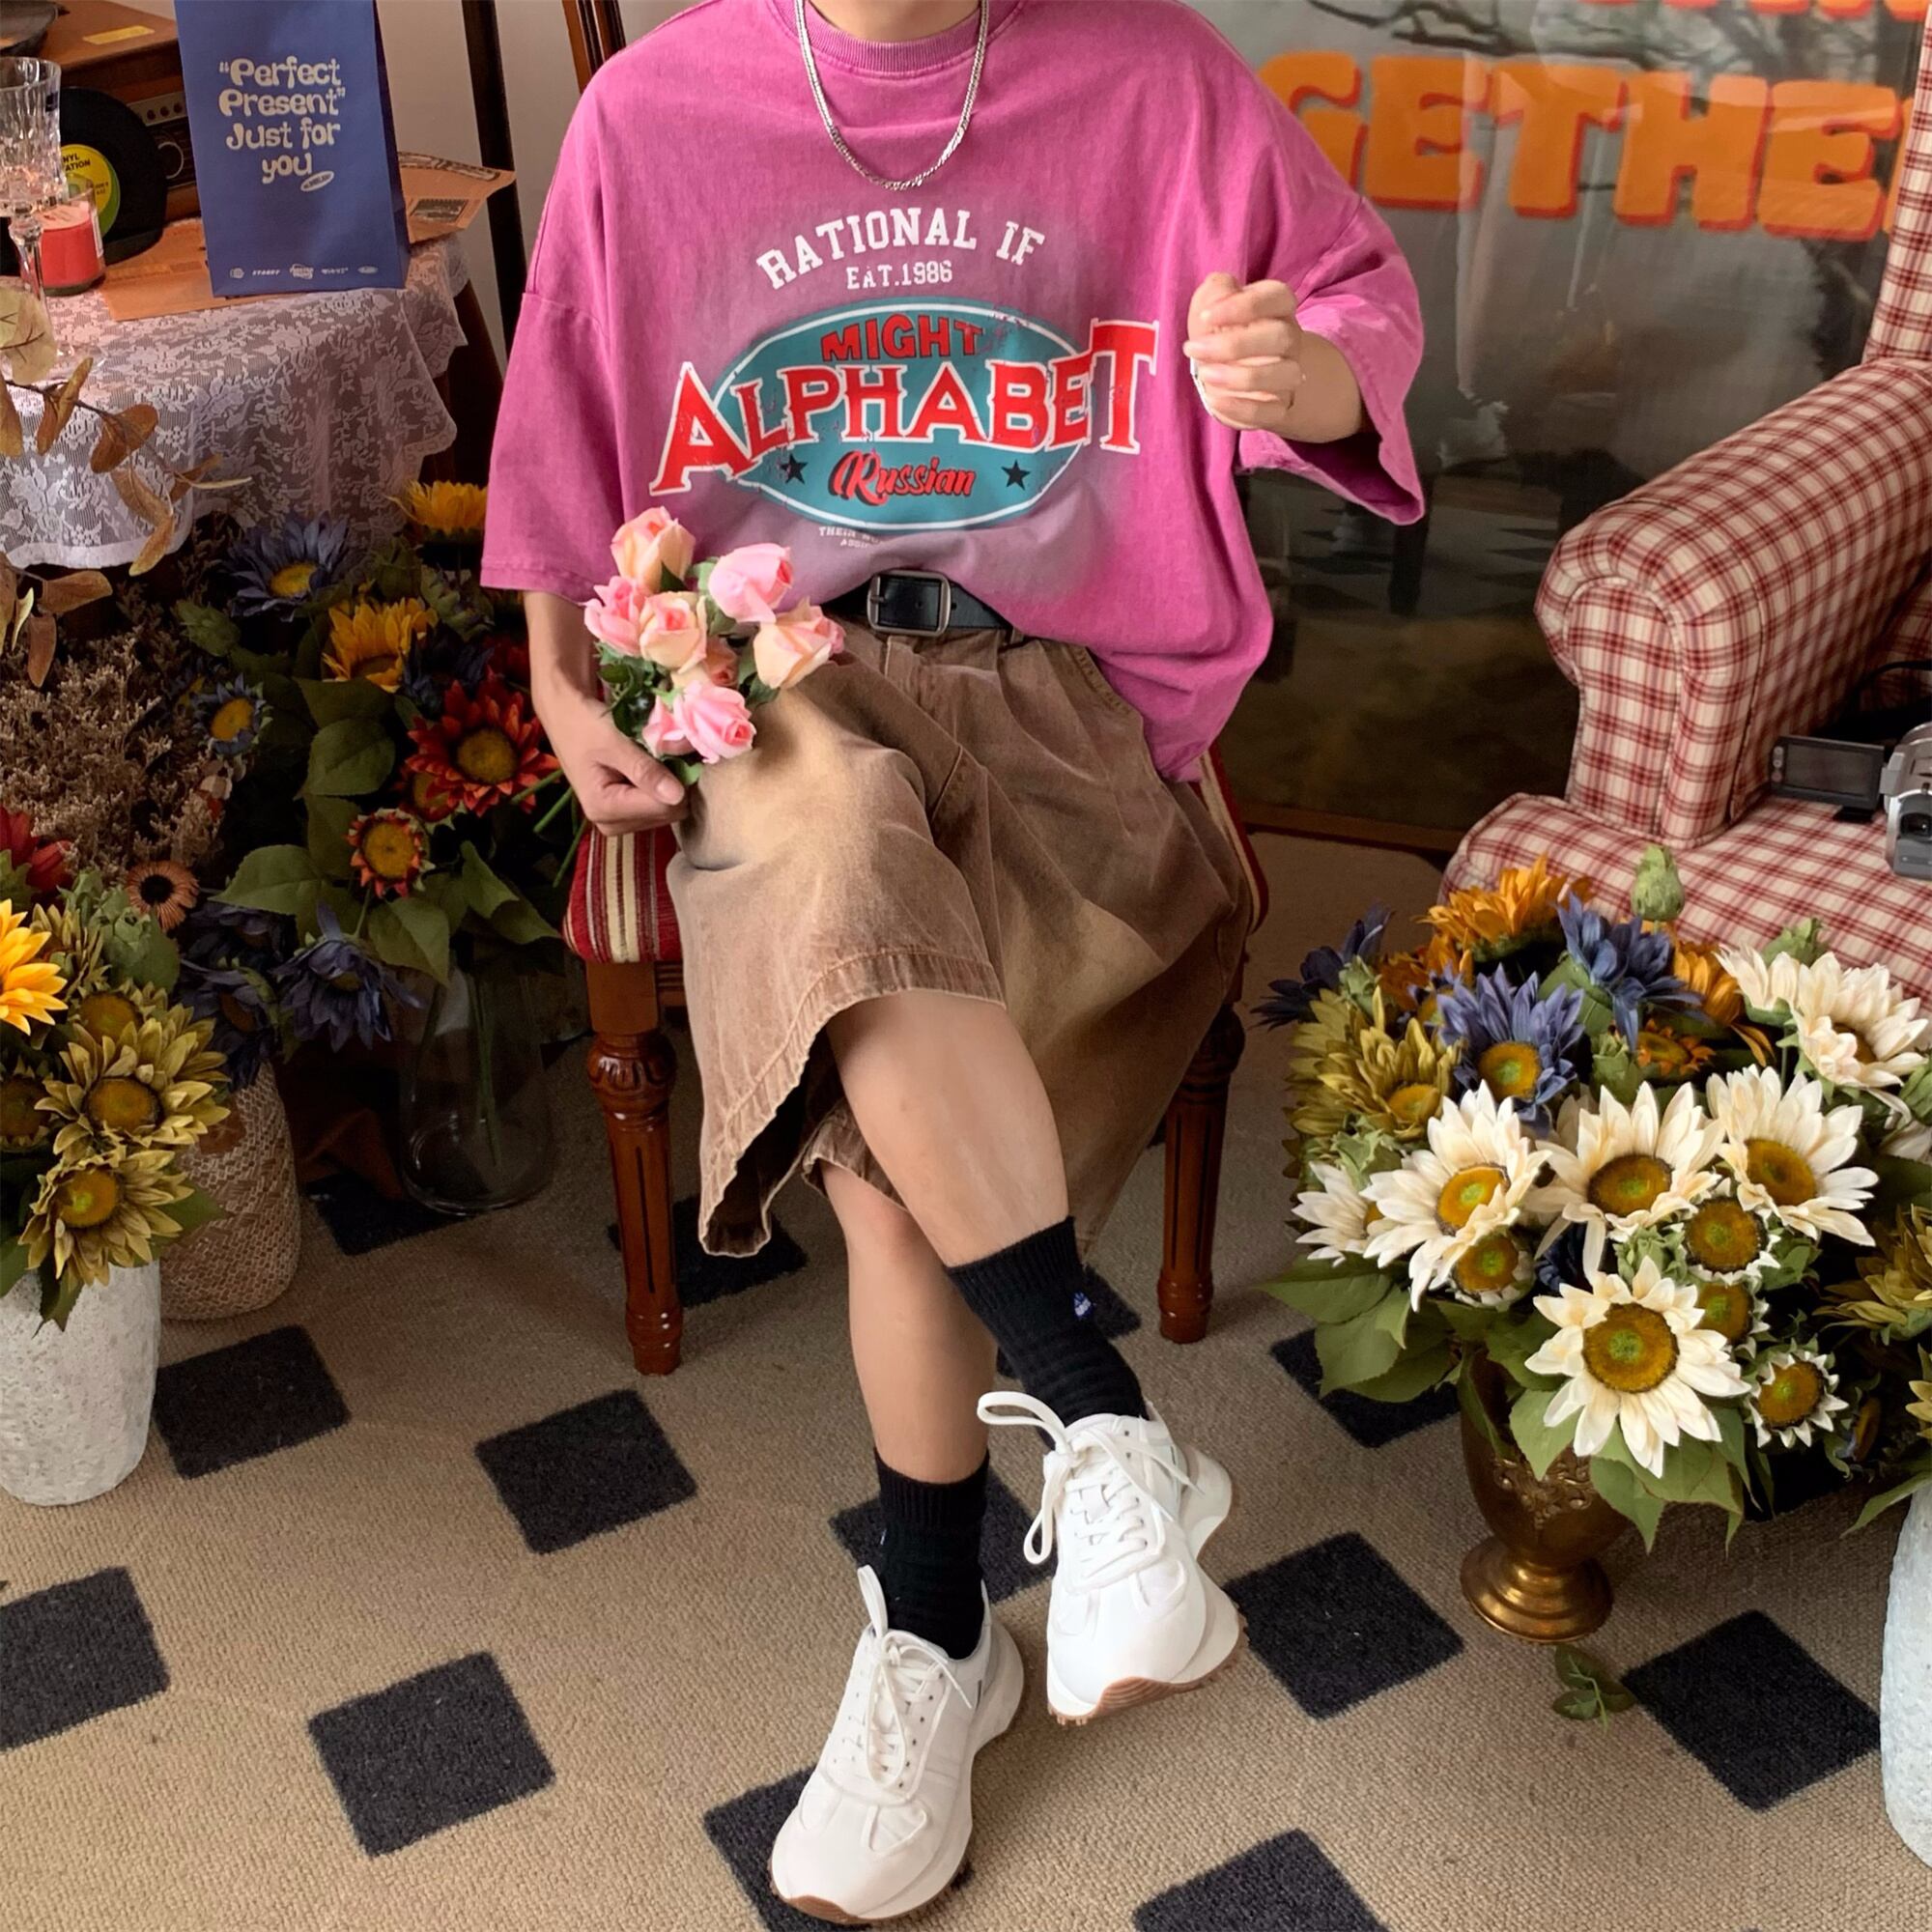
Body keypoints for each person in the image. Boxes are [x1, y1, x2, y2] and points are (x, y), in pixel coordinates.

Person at [483, 0, 1423, 1918]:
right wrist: (557, 678)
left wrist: (1314, 379)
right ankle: (1100, 1425)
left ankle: (936, 1630)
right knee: (836, 861)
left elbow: (1359, 307)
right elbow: (560, 419)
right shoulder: (653, 113)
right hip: (776, 676)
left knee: (894, 1139)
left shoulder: (1161, 82)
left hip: (1076, 693)